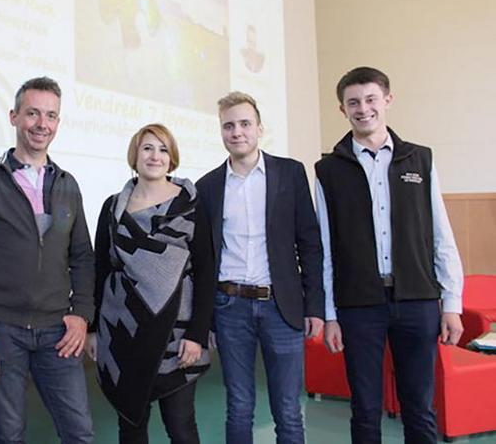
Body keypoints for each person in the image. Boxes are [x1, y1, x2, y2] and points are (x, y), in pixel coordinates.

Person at [315, 66, 464, 443]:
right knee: (365, 409)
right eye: (353, 102)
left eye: (370, 99)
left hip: (418, 302)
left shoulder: (420, 159)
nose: (363, 109)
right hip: (358, 306)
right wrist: (330, 315)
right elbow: (325, 250)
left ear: (387, 101)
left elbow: (440, 235)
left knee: (420, 407)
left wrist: (452, 303)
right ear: (342, 110)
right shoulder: (327, 170)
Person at [0, 76, 95, 444]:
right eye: (32, 113)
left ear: (58, 123)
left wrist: (81, 315)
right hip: (1, 330)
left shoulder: (68, 185)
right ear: (14, 116)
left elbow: (82, 257)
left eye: (50, 116)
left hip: (58, 331)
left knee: (79, 433)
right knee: (9, 435)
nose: (41, 124)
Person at [196, 91, 323, 444]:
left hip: (281, 307)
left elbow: (310, 244)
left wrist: (314, 306)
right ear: (221, 132)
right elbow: (204, 259)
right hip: (229, 307)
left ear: (259, 128)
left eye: (244, 124)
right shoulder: (207, 186)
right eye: (228, 125)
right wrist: (206, 318)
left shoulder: (290, 173)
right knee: (238, 405)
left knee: (288, 409)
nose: (237, 132)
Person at [87, 123, 214, 444]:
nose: (155, 156)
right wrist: (92, 329)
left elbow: (206, 271)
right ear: (135, 155)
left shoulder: (191, 206)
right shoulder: (112, 207)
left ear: (172, 158)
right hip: (123, 331)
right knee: (131, 423)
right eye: (147, 148)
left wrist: (197, 335)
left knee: (180, 425)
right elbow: (100, 269)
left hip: (177, 333)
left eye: (162, 149)